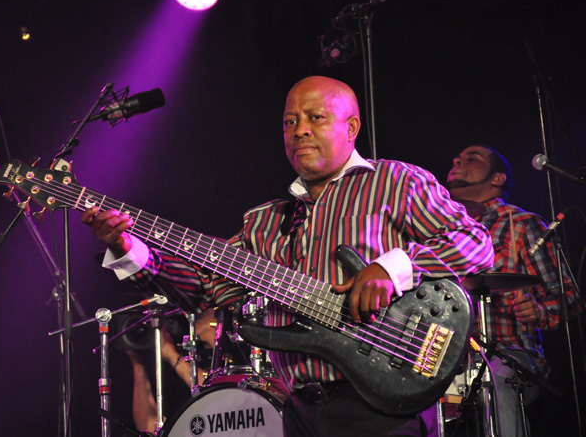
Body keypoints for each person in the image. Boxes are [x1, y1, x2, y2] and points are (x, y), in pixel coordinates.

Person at [82, 76, 494, 437]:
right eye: (290, 122)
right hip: (298, 407)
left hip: (380, 399)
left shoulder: (396, 181)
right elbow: (202, 289)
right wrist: (126, 247)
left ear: (351, 128)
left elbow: (475, 244)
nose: (300, 131)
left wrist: (391, 267)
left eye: (315, 118)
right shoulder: (264, 221)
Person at [446, 145, 577, 437]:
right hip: (450, 361)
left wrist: (540, 312)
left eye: (472, 159)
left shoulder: (521, 224)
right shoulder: (444, 232)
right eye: (458, 158)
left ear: (498, 179)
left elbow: (570, 296)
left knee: (494, 378)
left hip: (509, 356)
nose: (458, 160)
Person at [126, 308, 216, 434]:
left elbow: (218, 396)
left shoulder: (238, 346)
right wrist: (138, 362)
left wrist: (171, 354)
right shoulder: (179, 348)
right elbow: (147, 426)